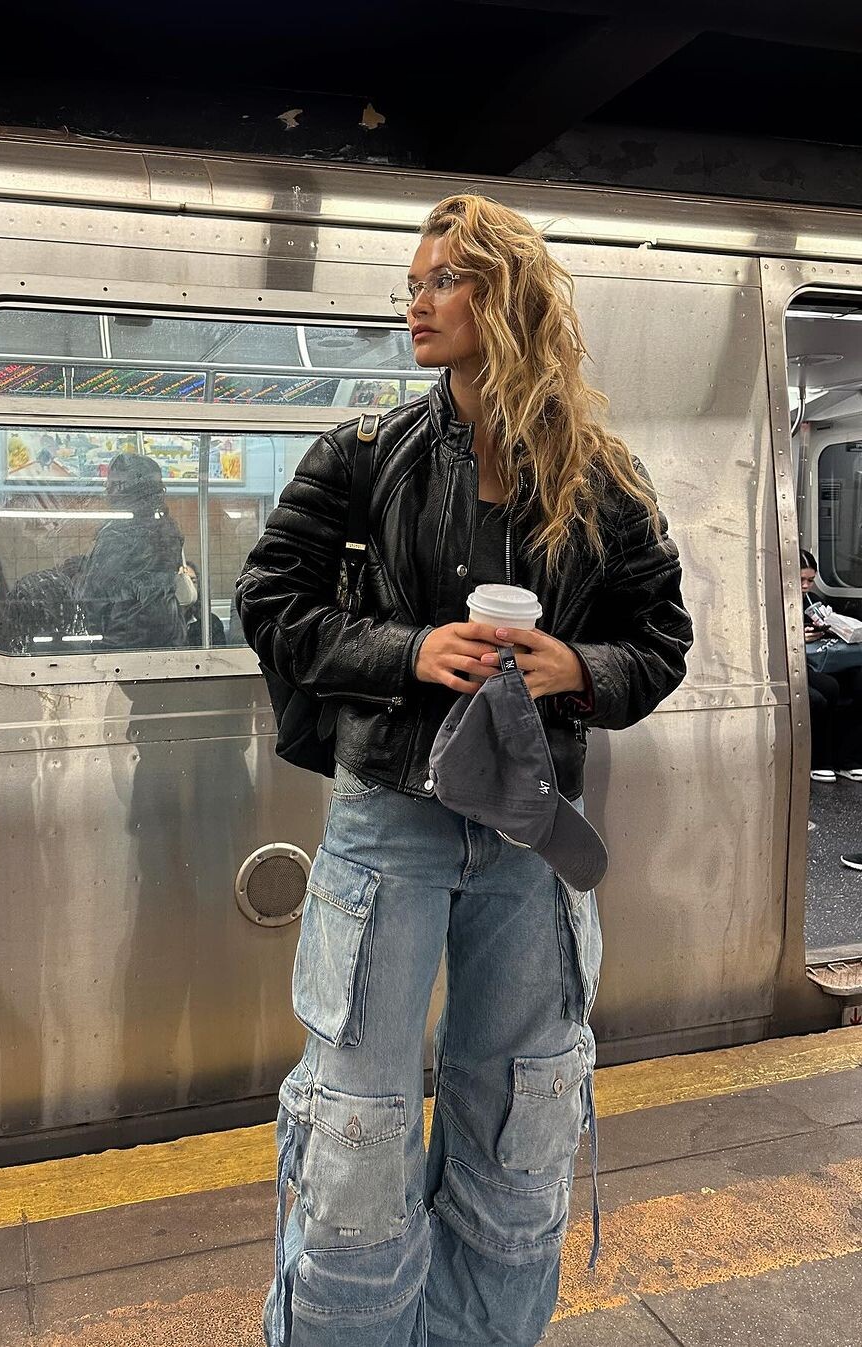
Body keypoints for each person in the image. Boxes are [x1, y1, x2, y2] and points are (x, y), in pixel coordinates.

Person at [236, 194, 693, 1347]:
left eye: (443, 281)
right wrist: (409, 652)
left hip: (531, 829)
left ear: (507, 295)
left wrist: (577, 668)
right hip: (390, 818)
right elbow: (270, 601)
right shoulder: (363, 456)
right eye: (413, 284)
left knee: (523, 1112)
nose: (417, 303)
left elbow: (660, 641)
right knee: (359, 1124)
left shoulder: (602, 478)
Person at [75, 453, 187, 651]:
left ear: (127, 486)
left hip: (122, 638)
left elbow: (95, 597)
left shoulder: (117, 533)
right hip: (169, 633)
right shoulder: (167, 528)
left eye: (113, 483)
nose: (107, 488)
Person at [801, 549, 862, 783]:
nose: (806, 586)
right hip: (801, 663)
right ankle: (820, 760)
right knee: (827, 689)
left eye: (810, 581)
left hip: (823, 658)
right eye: (801, 580)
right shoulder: (775, 603)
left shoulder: (814, 601)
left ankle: (848, 757)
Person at [181, 561, 227, 647]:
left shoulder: (211, 622)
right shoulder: (164, 622)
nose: (189, 587)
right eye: (184, 582)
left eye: (193, 581)